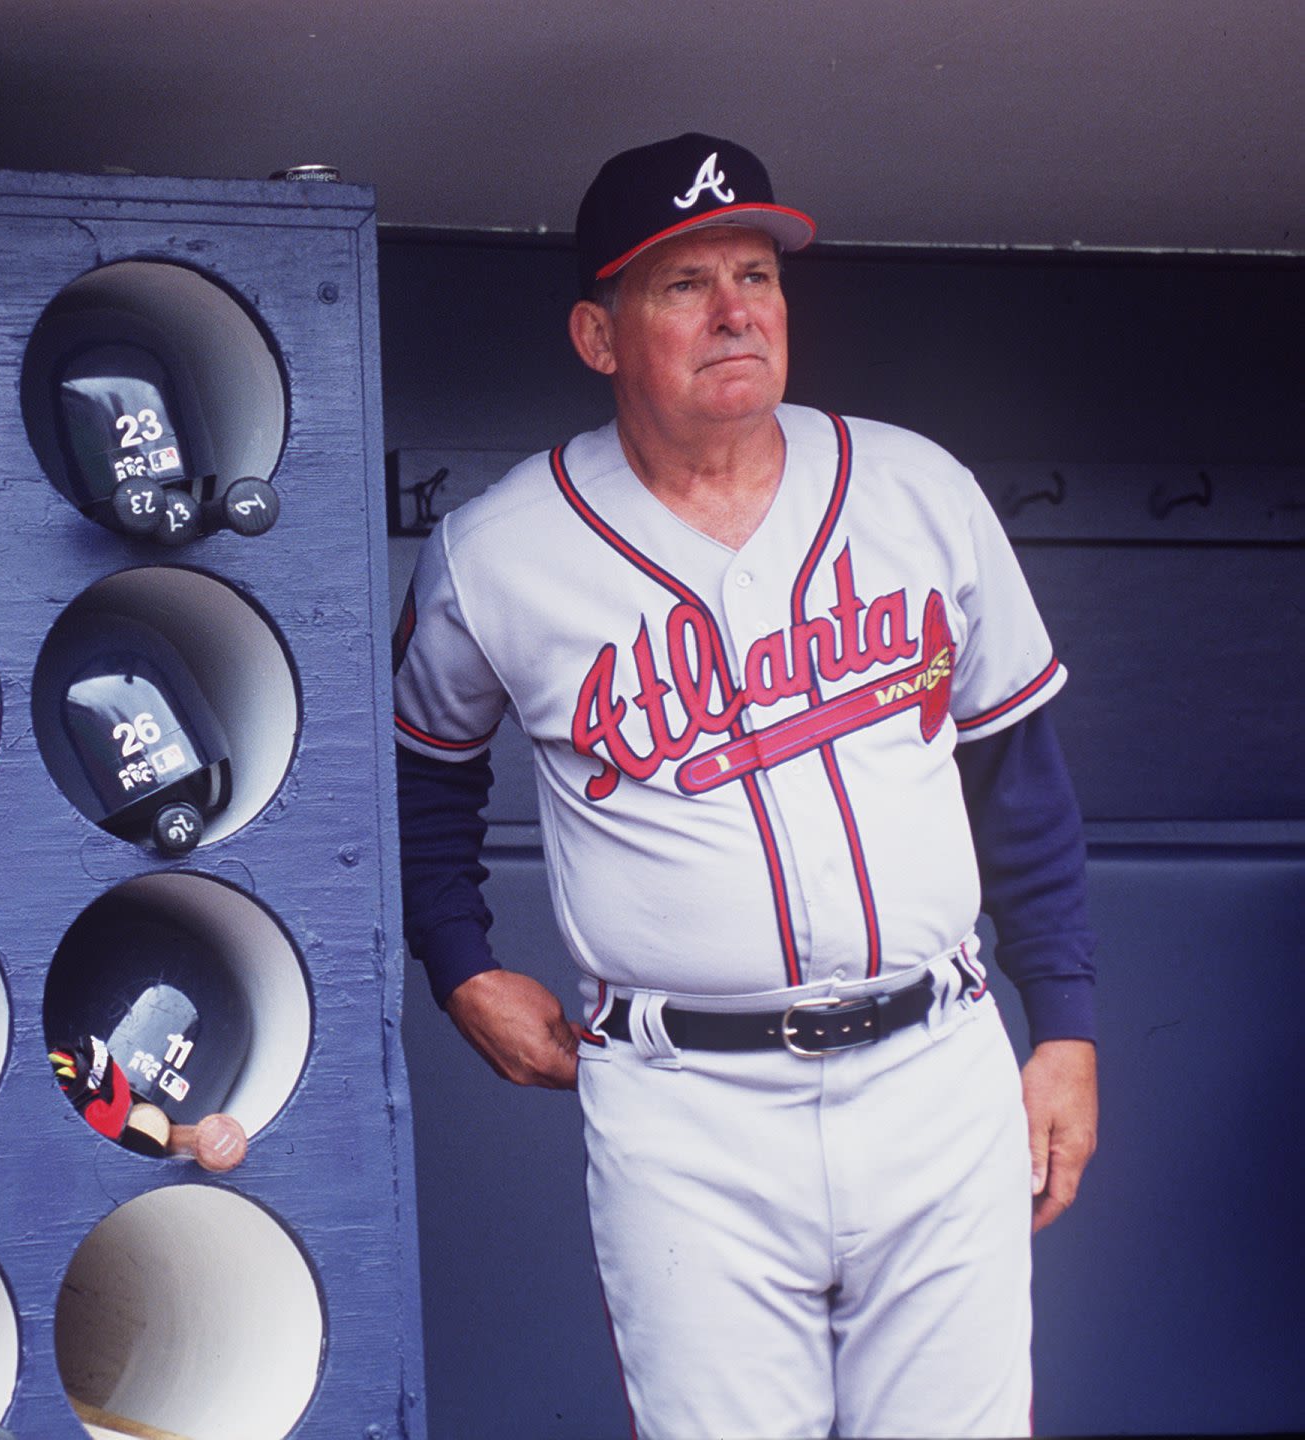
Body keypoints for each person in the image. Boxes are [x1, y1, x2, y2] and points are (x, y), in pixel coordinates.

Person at [393, 132, 1098, 1439]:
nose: (734, 311)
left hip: (935, 1070)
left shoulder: (915, 488)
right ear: (598, 337)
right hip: (682, 1108)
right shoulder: (493, 551)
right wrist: (456, 960)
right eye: (681, 284)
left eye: (756, 275)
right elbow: (418, 779)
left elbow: (1015, 770)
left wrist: (1060, 1023)